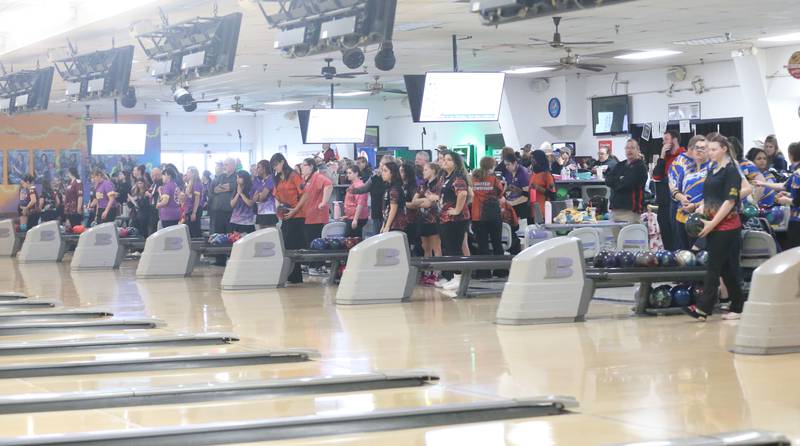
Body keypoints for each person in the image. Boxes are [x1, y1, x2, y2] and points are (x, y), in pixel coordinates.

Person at [683, 135, 745, 321]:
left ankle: (703, 308)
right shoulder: (713, 169)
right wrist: (699, 209)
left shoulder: (731, 171)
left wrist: (712, 223)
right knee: (726, 269)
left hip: (727, 227)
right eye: (708, 149)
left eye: (713, 149)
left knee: (713, 267)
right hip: (713, 224)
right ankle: (738, 306)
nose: (709, 153)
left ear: (724, 149)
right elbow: (711, 196)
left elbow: (730, 201)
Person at [437, 151, 470, 290]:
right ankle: (453, 277)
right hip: (446, 218)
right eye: (444, 159)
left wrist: (457, 209)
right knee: (449, 247)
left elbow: (463, 193)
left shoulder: (458, 177)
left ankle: (458, 276)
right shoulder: (446, 177)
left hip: (456, 219)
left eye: (449, 159)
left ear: (455, 163)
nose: (445, 161)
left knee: (455, 248)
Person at [271, 153, 306, 283]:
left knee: (292, 246)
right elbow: (277, 196)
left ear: (282, 162)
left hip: (297, 215)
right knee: (286, 246)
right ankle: (292, 276)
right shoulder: (278, 178)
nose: (275, 168)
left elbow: (305, 194)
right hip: (286, 214)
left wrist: (295, 210)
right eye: (273, 166)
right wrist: (279, 208)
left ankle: (295, 277)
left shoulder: (294, 175)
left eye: (276, 165)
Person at [669, 135, 708, 250]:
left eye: (703, 148)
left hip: (704, 218)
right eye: (697, 148)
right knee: (685, 256)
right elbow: (673, 186)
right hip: (682, 217)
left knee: (700, 257)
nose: (699, 151)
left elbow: (716, 195)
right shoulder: (687, 168)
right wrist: (681, 197)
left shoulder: (713, 168)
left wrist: (696, 205)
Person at [471, 157, 505, 275]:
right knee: (497, 243)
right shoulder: (494, 179)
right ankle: (500, 271)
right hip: (493, 215)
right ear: (492, 166)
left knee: (482, 245)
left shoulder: (473, 178)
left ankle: (483, 272)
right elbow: (500, 193)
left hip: (478, 215)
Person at [652, 130, 685, 250]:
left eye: (666, 139)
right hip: (664, 202)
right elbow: (656, 176)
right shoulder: (664, 158)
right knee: (666, 235)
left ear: (674, 140)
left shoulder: (684, 156)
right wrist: (661, 156)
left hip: (677, 202)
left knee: (677, 237)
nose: (663, 142)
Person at [413, 162, 443, 286]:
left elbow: (436, 201)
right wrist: (425, 200)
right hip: (423, 218)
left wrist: (429, 201)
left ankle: (437, 272)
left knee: (436, 246)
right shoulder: (423, 185)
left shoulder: (439, 184)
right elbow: (415, 201)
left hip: (434, 218)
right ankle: (427, 271)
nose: (423, 172)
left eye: (426, 170)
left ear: (433, 171)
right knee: (426, 246)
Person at [605, 139, 648, 224]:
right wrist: (620, 180)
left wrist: (617, 181)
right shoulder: (620, 165)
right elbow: (608, 180)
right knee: (616, 237)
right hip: (615, 209)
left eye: (632, 148)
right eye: (627, 148)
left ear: (638, 150)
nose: (629, 150)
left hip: (631, 211)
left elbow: (626, 184)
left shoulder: (640, 166)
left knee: (629, 237)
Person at [298, 158, 333, 251]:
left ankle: (318, 264)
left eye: (303, 165)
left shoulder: (317, 177)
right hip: (307, 216)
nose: (301, 167)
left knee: (315, 243)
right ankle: (311, 263)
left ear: (311, 166)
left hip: (317, 217)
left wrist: (324, 202)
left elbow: (329, 185)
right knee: (308, 241)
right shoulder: (304, 179)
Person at [352, 155, 392, 234]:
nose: (381, 167)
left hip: (388, 214)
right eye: (381, 165)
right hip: (376, 212)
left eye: (384, 166)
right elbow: (364, 188)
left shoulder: (393, 182)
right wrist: (353, 191)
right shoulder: (374, 178)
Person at [210, 158, 236, 238]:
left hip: (230, 212)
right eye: (223, 165)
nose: (224, 167)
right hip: (218, 211)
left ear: (233, 165)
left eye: (226, 165)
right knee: (218, 235)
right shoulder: (220, 177)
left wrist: (221, 188)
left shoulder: (236, 177)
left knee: (230, 236)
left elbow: (231, 187)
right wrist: (224, 188)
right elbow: (214, 189)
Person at [379, 161, 406, 234]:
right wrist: (383, 225)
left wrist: (387, 226)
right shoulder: (388, 187)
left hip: (396, 224)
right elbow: (386, 208)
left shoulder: (394, 189)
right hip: (389, 222)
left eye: (385, 171)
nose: (382, 173)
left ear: (392, 173)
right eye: (382, 170)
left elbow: (393, 209)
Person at [502, 152, 531, 221]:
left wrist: (512, 203)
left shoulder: (523, 173)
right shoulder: (508, 173)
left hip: (521, 206)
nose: (506, 167)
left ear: (514, 163)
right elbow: (506, 188)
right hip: (510, 205)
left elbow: (527, 195)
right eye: (505, 165)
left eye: (508, 165)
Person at [529, 150, 555, 222]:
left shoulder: (547, 175)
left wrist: (538, 188)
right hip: (533, 210)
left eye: (533, 158)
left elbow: (552, 195)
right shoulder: (533, 174)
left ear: (539, 159)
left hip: (543, 211)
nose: (531, 160)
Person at [342, 165, 369, 237]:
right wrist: (348, 216)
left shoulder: (359, 186)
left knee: (351, 240)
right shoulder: (353, 185)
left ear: (356, 173)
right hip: (352, 216)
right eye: (347, 173)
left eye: (350, 173)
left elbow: (360, 204)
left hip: (358, 217)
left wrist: (355, 219)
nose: (348, 175)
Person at [252, 160, 277, 229]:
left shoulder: (271, 179)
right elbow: (254, 199)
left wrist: (258, 195)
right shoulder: (259, 180)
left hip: (269, 212)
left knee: (270, 235)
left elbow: (262, 197)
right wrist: (258, 195)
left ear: (264, 169)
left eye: (258, 167)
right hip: (260, 212)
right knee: (262, 236)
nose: (257, 169)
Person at [183, 167, 203, 237]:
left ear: (193, 174)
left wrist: (194, 213)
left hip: (195, 209)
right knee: (190, 229)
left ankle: (197, 245)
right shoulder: (189, 184)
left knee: (195, 229)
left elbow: (197, 199)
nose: (186, 174)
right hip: (189, 209)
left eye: (188, 172)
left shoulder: (197, 184)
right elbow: (187, 195)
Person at [145, 167, 162, 236]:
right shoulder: (154, 183)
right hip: (152, 207)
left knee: (153, 227)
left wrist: (149, 194)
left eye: (153, 175)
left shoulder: (160, 183)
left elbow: (156, 194)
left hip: (156, 208)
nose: (152, 177)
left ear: (157, 175)